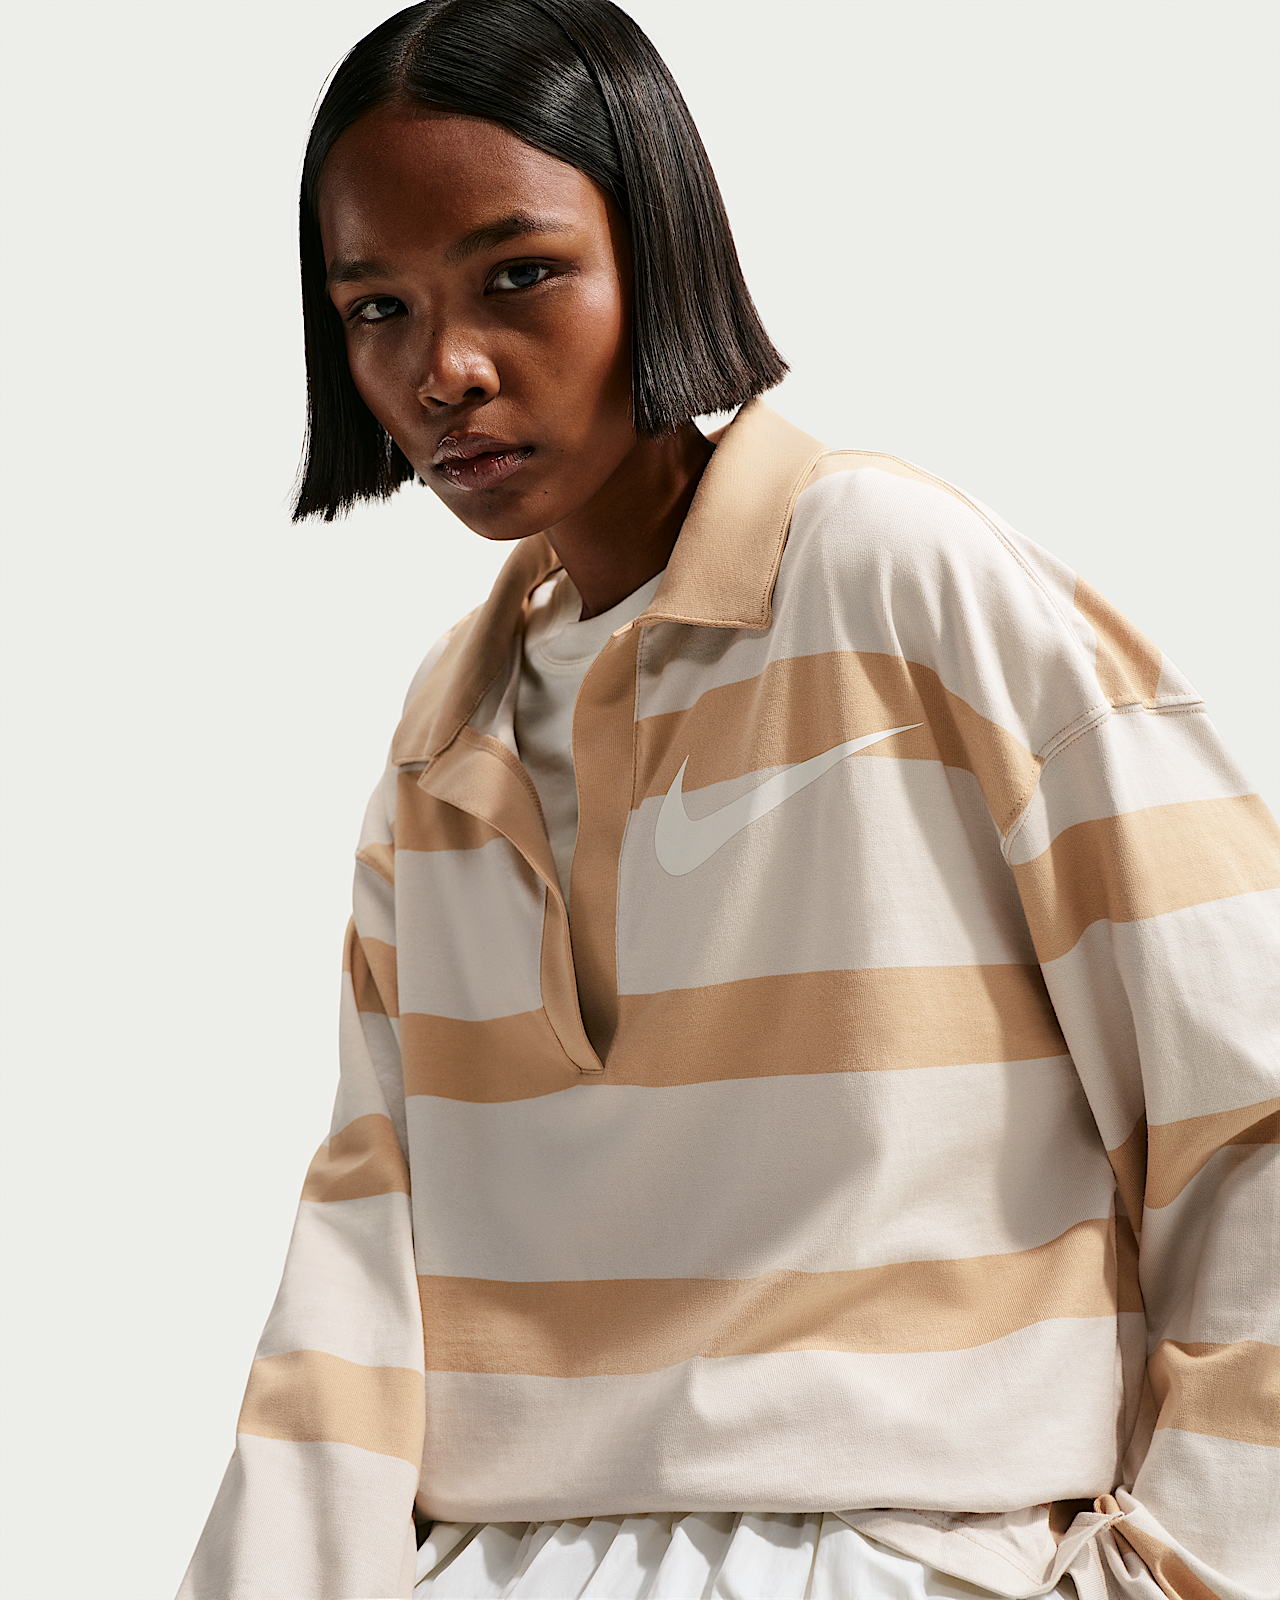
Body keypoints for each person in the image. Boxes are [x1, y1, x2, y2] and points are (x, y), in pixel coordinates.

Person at [177, 2, 1279, 1597]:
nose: (444, 369)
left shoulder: (893, 578)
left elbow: (1248, 1090)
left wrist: (1192, 1572)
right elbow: (360, 1277)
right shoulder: (445, 738)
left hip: (900, 1551)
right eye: (376, 308)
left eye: (517, 275)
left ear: (663, 253)